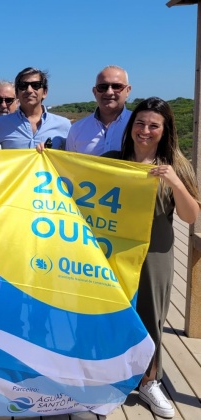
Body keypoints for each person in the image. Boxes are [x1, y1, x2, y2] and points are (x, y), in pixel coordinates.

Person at [103, 97, 200, 419]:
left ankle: (149, 380)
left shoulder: (175, 164)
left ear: (164, 130)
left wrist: (173, 182)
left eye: (153, 125)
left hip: (155, 252)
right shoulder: (113, 160)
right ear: (131, 127)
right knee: (110, 312)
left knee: (151, 316)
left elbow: (190, 215)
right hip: (114, 250)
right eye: (140, 124)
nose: (145, 131)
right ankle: (108, 375)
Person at [0, 67, 70, 149]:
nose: (29, 90)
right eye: (23, 86)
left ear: (45, 92)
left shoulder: (64, 125)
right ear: (17, 93)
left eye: (36, 85)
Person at [66, 65, 132, 155]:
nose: (109, 92)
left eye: (116, 86)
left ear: (128, 91)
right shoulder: (76, 129)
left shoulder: (141, 128)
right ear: (94, 92)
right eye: (103, 87)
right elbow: (69, 165)